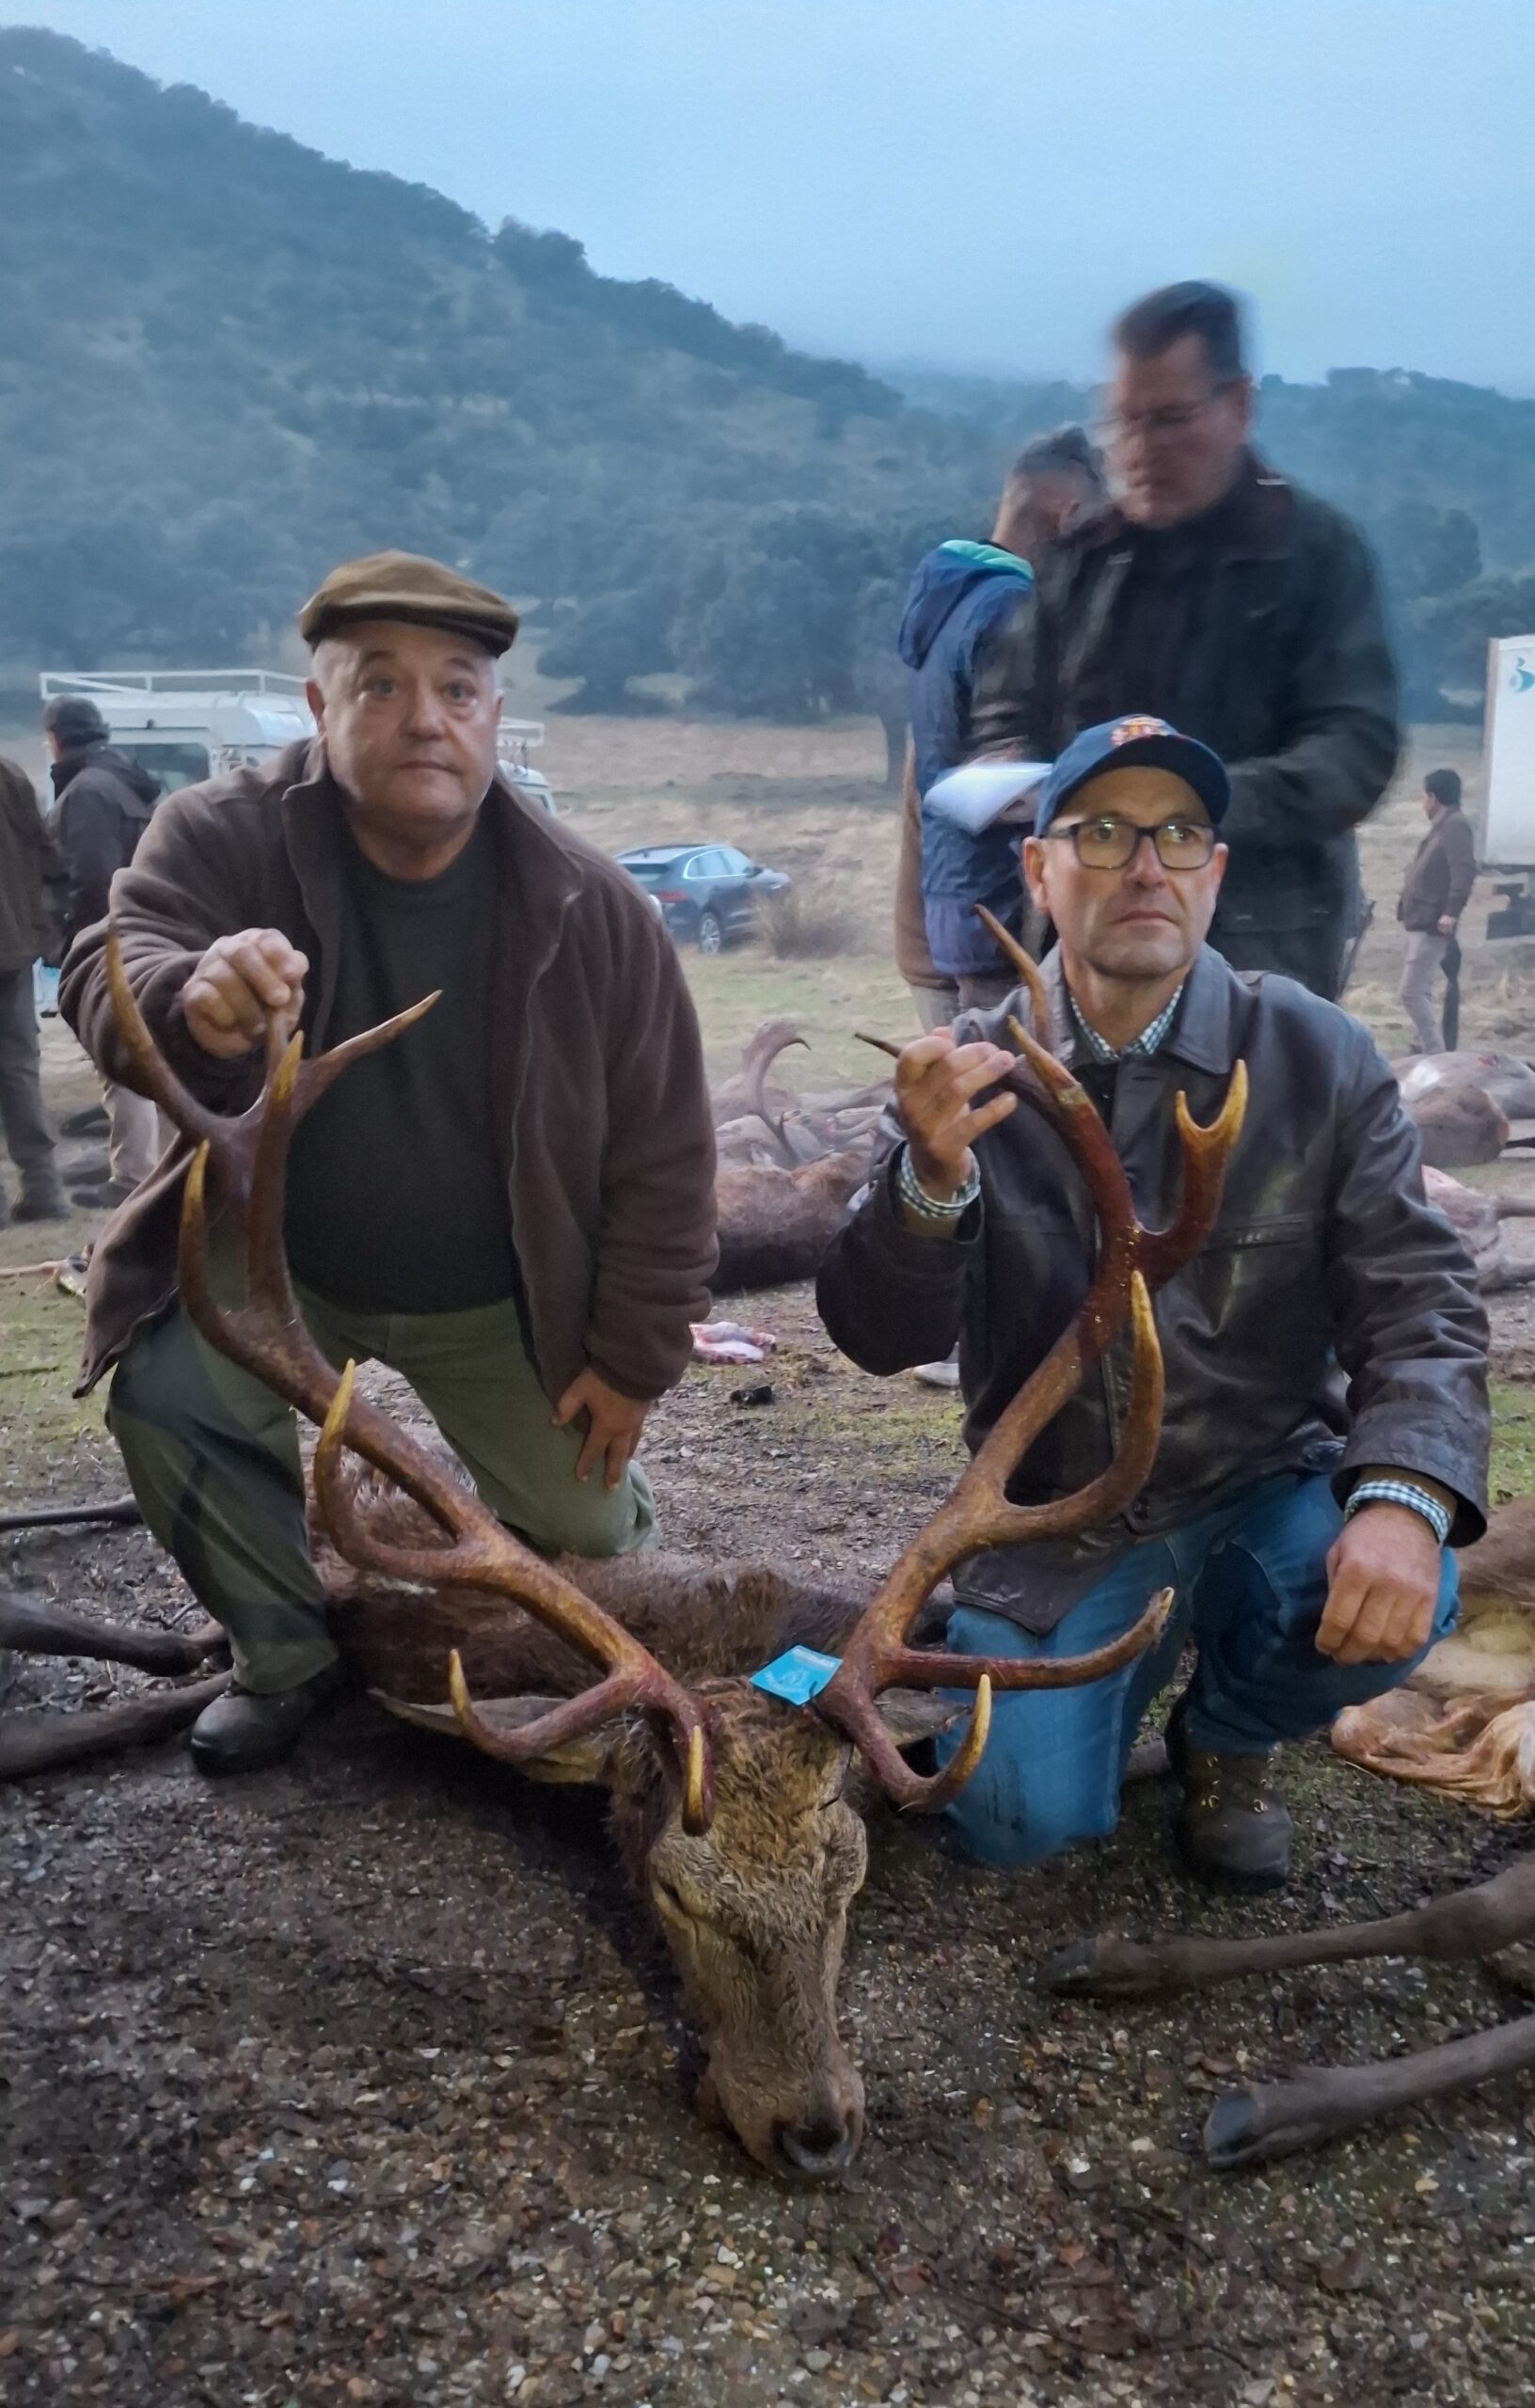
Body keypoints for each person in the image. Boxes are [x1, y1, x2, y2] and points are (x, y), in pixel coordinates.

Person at [59, 549, 718, 1773]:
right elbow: (113, 958)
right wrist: (187, 998)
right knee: (167, 1391)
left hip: (503, 1299)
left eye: (456, 688)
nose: (425, 719)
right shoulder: (222, 835)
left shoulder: (592, 906)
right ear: (319, 707)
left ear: (494, 714)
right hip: (279, 1274)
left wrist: (633, 1355)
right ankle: (284, 1655)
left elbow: (670, 1155)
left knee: (592, 1538)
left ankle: (572, 1609)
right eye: (380, 685)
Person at [818, 714, 1488, 1887]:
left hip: (1262, 1484)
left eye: (1178, 836)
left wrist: (1406, 1496)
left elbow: (1419, 1299)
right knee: (1012, 1824)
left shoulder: (1318, 1056)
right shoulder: (965, 1077)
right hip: (1056, 1527)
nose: (1145, 866)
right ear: (1039, 869)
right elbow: (879, 1336)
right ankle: (1103, 1689)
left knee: (1403, 1580)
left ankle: (1226, 1734)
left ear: (1214, 872)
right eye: (1105, 834)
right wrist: (927, 1182)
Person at [972, 283, 1400, 1001]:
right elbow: (1006, 697)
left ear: (1239, 405)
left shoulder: (1312, 553)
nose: (1141, 450)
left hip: (1255, 949)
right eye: (1124, 421)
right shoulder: (1084, 557)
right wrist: (1010, 758)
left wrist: (1189, 806)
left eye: (1170, 419)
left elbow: (1357, 750)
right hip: (1086, 942)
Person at [895, 428, 1105, 1028]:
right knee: (1020, 1082)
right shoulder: (1010, 610)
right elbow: (1006, 779)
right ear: (1068, 515)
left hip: (958, 907)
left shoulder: (954, 599)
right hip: (1008, 917)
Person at [43, 692, 163, 1209]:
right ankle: (147, 1162)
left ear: (56, 739)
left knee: (120, 1054)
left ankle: (133, 1173)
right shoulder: (120, 778)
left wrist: (82, 942)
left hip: (110, 942)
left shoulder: (87, 790)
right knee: (145, 1051)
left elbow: (93, 877)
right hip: (145, 933)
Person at [0, 755, 68, 1226]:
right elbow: (48, 852)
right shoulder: (9, 773)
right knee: (19, 1067)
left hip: (16, 942)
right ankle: (44, 1188)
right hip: (13, 947)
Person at [1398, 767, 1477, 1053]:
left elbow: (1463, 872)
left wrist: (1450, 912)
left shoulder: (1454, 826)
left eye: (1424, 796)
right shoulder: (1445, 826)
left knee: (1410, 992)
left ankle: (1433, 1052)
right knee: (1421, 989)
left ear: (1433, 797)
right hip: (1424, 920)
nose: (1423, 802)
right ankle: (1423, 1047)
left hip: (1432, 923)